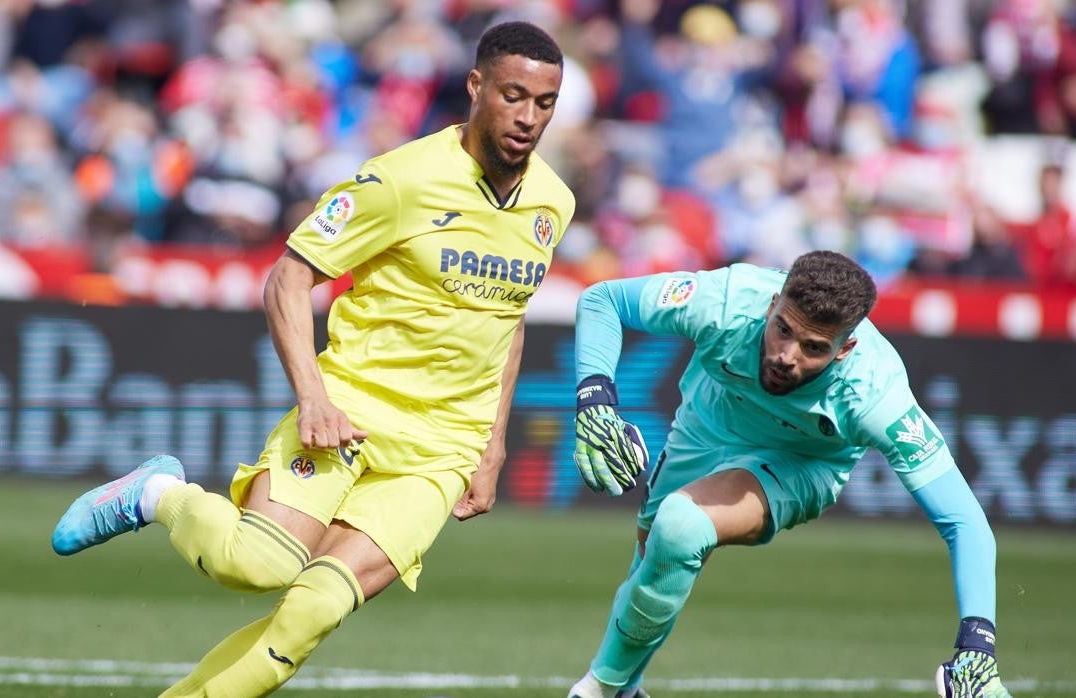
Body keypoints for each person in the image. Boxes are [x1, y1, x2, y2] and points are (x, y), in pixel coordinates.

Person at [50, 21, 572, 697]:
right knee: (255, 563)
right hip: (353, 409)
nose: (528, 118)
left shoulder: (552, 204)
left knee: (313, 612)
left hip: (444, 448)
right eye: (513, 95)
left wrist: (492, 444)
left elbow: (509, 319)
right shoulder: (400, 180)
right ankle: (157, 494)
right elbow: (288, 279)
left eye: (544, 103)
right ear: (476, 87)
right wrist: (316, 397)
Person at [566, 251, 1012, 698]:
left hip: (801, 461)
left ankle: (597, 689)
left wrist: (978, 641)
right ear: (772, 304)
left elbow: (964, 521)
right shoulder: (726, 299)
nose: (786, 356)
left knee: (680, 529)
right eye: (783, 329)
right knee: (653, 559)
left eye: (814, 348)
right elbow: (603, 300)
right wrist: (595, 399)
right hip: (706, 423)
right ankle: (625, 689)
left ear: (846, 349)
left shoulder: (876, 392)